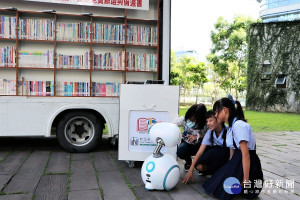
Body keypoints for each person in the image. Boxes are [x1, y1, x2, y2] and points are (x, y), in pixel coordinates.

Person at [203, 97, 263, 200]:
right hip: (237, 160)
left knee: (221, 190)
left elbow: (246, 154)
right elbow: (233, 151)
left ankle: (245, 186)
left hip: (247, 163)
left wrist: (245, 180)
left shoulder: (238, 125)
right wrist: (228, 168)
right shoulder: (231, 127)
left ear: (225, 110)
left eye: (216, 112)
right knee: (214, 185)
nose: (215, 115)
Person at [182, 110, 230, 184]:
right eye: (207, 121)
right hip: (217, 154)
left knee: (215, 151)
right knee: (199, 166)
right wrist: (190, 170)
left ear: (218, 119)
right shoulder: (210, 132)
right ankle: (215, 173)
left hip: (228, 155)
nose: (208, 124)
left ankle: (221, 174)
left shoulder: (228, 131)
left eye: (210, 121)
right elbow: (200, 152)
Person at [174, 104, 208, 171]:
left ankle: (201, 163)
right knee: (180, 151)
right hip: (187, 144)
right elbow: (172, 125)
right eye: (190, 119)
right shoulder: (183, 120)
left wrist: (198, 136)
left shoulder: (207, 123)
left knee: (207, 150)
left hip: (201, 145)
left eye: (194, 120)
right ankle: (188, 161)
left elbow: (212, 135)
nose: (191, 121)